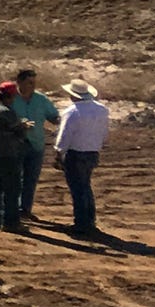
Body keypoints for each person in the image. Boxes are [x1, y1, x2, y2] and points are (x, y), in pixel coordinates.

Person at [57, 80, 109, 237]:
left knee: (78, 188)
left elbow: (65, 134)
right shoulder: (102, 110)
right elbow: (104, 132)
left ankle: (81, 223)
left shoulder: (72, 111)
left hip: (76, 153)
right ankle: (89, 221)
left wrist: (59, 152)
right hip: (92, 152)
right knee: (85, 186)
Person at [10, 68, 60, 220]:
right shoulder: (10, 99)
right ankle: (11, 210)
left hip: (36, 144)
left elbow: (54, 117)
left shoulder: (41, 99)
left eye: (34, 83)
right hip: (15, 144)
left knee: (31, 179)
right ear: (19, 82)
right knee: (13, 178)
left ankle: (25, 209)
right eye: (29, 82)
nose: (32, 86)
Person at [0, 81, 30, 233]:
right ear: (11, 96)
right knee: (11, 189)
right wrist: (24, 127)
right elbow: (18, 133)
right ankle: (11, 222)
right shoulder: (7, 112)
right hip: (8, 153)